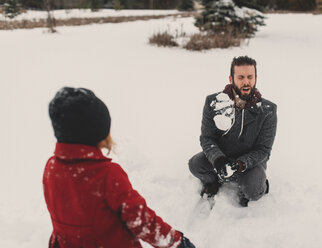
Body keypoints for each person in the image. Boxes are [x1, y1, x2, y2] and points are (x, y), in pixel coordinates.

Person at [44, 87, 195, 248]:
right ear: (96, 132)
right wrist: (176, 242)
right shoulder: (106, 175)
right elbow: (140, 220)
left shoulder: (52, 168)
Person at [189, 56, 277, 207]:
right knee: (195, 164)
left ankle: (258, 184)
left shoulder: (267, 110)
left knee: (253, 190)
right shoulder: (213, 102)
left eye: (250, 77)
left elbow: (263, 150)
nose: (246, 82)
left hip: (249, 164)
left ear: (255, 78)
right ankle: (214, 181)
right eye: (241, 77)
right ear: (231, 78)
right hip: (222, 157)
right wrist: (219, 160)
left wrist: (240, 164)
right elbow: (207, 138)